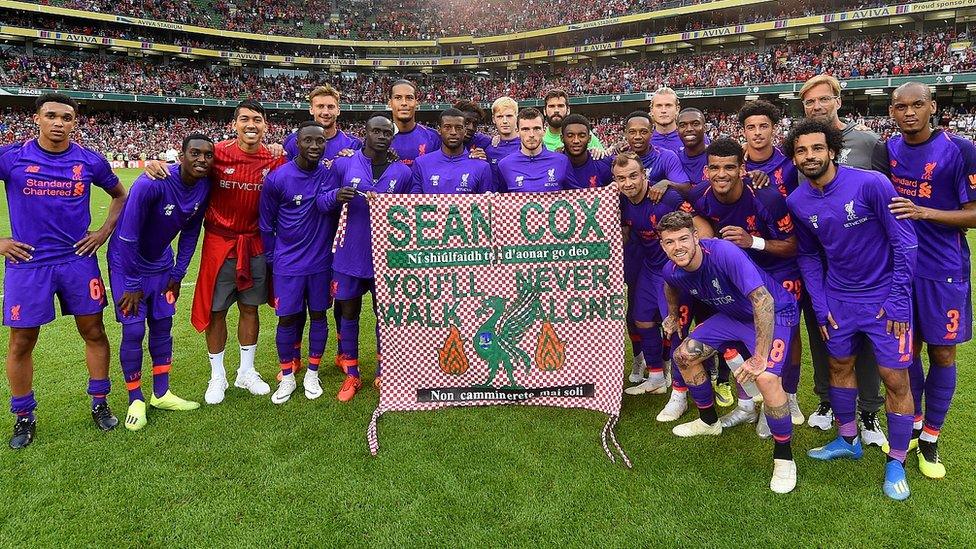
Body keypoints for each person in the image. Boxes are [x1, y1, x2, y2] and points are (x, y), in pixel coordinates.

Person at [784, 119, 918, 501]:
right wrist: (822, 302)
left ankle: (896, 460)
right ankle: (847, 438)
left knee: (895, 381)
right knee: (839, 367)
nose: (810, 156)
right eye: (801, 151)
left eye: (816, 148)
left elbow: (905, 245)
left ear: (831, 150)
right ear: (795, 157)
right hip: (838, 301)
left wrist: (896, 301)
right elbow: (809, 255)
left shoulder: (871, 184)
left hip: (884, 301)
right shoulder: (798, 201)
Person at [0, 93, 128, 448]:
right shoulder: (12, 156)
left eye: (67, 117)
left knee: (94, 331)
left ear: (75, 122)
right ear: (37, 118)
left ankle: (100, 403)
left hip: (77, 260)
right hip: (28, 264)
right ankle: (24, 415)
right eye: (52, 115)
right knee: (22, 341)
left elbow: (120, 195)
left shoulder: (88, 160)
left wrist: (102, 233)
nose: (59, 123)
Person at [146, 99, 288, 404]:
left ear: (266, 126)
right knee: (216, 310)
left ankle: (246, 372)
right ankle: (217, 376)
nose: (251, 125)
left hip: (256, 242)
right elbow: (190, 166)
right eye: (245, 119)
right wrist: (160, 165)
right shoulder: (218, 153)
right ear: (234, 124)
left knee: (250, 308)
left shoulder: (275, 159)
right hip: (219, 242)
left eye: (258, 120)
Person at [659, 211, 799, 494]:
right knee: (683, 356)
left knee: (767, 379)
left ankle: (784, 457)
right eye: (669, 242)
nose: (678, 247)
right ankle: (709, 422)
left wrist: (759, 356)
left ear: (696, 237)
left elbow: (763, 301)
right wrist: (673, 315)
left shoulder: (724, 253)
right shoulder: (671, 269)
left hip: (775, 312)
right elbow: (670, 286)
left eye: (684, 239)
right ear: (662, 245)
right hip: (734, 316)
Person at [877, 82, 976, 479]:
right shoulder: (888, 150)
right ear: (892, 112)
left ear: (932, 107)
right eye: (901, 106)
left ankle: (932, 436)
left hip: (943, 270)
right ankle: (915, 424)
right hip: (900, 269)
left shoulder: (961, 149)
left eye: (918, 104)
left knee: (942, 353)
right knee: (907, 351)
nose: (910, 112)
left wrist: (924, 212)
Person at [692, 138, 804, 434]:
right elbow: (689, 204)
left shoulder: (767, 197)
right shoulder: (701, 195)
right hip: (742, 275)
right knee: (743, 335)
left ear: (743, 169)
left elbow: (793, 246)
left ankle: (783, 398)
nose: (721, 174)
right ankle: (746, 406)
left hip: (779, 270)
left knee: (786, 335)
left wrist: (751, 241)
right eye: (714, 168)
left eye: (730, 167)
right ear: (706, 171)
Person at [797, 75, 888, 436]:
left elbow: (886, 196)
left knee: (866, 339)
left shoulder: (868, 141)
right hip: (821, 260)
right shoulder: (801, 143)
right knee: (825, 331)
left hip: (866, 262)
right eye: (809, 102)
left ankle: (868, 410)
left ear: (838, 99)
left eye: (823, 99)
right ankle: (826, 399)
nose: (817, 107)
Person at [108, 133, 213, 430]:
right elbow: (127, 235)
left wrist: (178, 273)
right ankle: (135, 399)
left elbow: (191, 233)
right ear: (180, 156)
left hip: (162, 266)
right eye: (194, 153)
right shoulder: (151, 183)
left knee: (163, 328)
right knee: (132, 332)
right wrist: (130, 282)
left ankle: (162, 392)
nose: (201, 160)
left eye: (207, 155)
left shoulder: (205, 186)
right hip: (127, 264)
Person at [615, 152, 713, 413]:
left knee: (676, 327)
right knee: (641, 319)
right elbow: (626, 232)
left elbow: (700, 227)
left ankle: (682, 391)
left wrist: (693, 261)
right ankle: (657, 377)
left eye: (633, 176)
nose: (628, 183)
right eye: (621, 179)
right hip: (649, 268)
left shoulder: (665, 197)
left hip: (673, 271)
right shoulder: (622, 202)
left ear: (644, 175)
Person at [325, 114, 412, 400]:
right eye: (376, 131)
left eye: (387, 133)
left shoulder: (402, 172)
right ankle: (351, 373)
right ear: (365, 134)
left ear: (393, 137)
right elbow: (321, 199)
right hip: (350, 255)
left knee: (384, 316)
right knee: (348, 314)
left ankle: (383, 371)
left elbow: (414, 212)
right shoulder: (344, 163)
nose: (382, 136)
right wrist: (336, 195)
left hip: (387, 258)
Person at [261, 121, 343, 404]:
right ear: (296, 143)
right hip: (288, 264)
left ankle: (312, 372)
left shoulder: (330, 176)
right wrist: (273, 259)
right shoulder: (278, 178)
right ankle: (287, 375)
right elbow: (265, 224)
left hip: (321, 263)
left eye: (320, 142)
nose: (314, 146)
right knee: (287, 319)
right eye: (308, 141)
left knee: (319, 316)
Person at [410, 108, 494, 194]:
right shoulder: (421, 163)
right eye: (447, 127)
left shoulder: (482, 167)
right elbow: (415, 202)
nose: (453, 132)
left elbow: (486, 205)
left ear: (465, 131)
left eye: (458, 128)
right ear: (439, 130)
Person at [497, 108, 578, 192]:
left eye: (536, 129)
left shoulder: (561, 161)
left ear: (544, 130)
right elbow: (501, 199)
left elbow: (576, 196)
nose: (531, 134)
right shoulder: (505, 165)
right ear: (517, 131)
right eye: (525, 129)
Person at [283, 85, 363, 162]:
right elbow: (283, 173)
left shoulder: (354, 144)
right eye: (320, 106)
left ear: (338, 111)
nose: (325, 112)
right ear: (311, 110)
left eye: (331, 107)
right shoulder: (293, 141)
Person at [739, 100, 799, 196]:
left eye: (763, 126)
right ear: (743, 132)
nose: (757, 132)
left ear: (774, 129)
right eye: (751, 127)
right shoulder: (735, 164)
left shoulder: (789, 158)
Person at [389, 79, 441, 166]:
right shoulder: (378, 140)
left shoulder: (433, 137)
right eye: (398, 98)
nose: (404, 103)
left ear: (416, 103)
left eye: (409, 98)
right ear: (390, 103)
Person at [561, 114, 613, 189]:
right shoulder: (554, 166)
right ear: (562, 138)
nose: (576, 140)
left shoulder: (605, 164)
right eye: (570, 136)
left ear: (589, 138)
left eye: (581, 135)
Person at [485, 96, 521, 166]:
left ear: (517, 117)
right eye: (500, 117)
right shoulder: (489, 149)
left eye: (509, 116)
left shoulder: (527, 146)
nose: (505, 121)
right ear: (493, 119)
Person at [650, 87, 684, 153]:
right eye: (659, 106)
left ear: (677, 109)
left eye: (668, 105)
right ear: (651, 111)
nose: (663, 110)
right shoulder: (645, 141)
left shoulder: (693, 137)